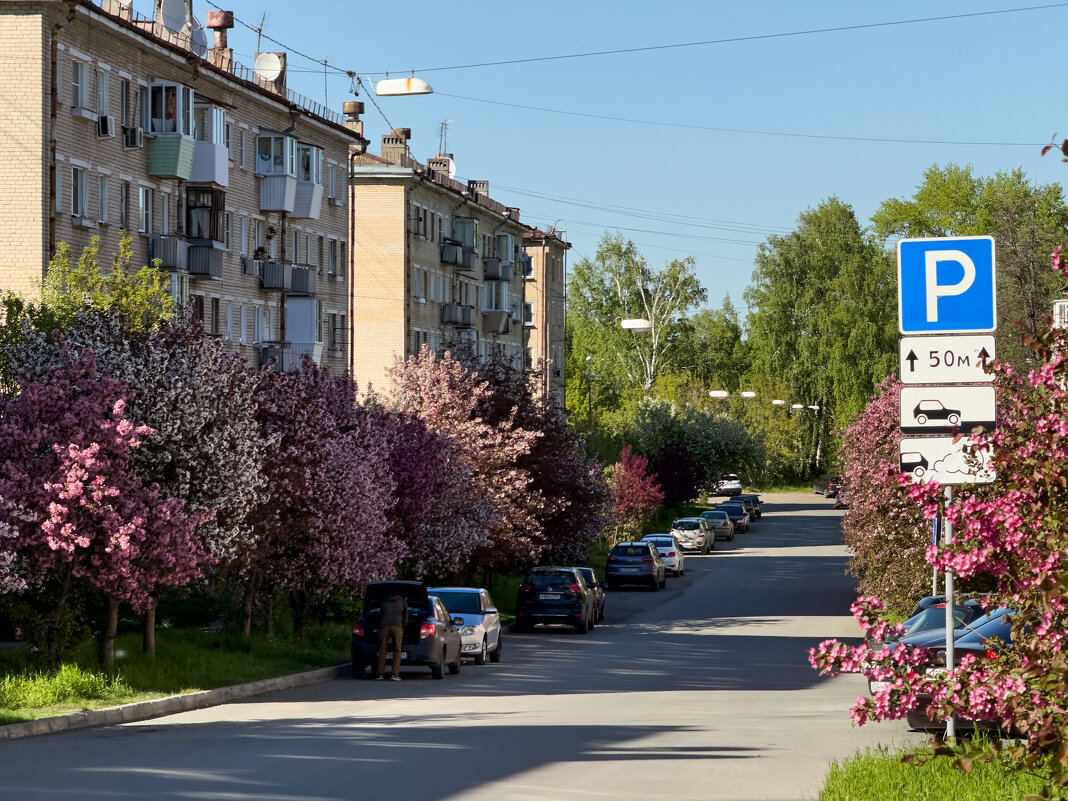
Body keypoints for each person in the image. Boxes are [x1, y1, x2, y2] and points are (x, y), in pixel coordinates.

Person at [376, 593, 408, 681]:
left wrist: (378, 627)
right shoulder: (402, 601)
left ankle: (380, 674)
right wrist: (403, 628)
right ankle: (394, 674)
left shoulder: (385, 602)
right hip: (397, 626)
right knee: (397, 650)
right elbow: (405, 617)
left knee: (382, 650)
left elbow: (379, 616)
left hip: (384, 626)